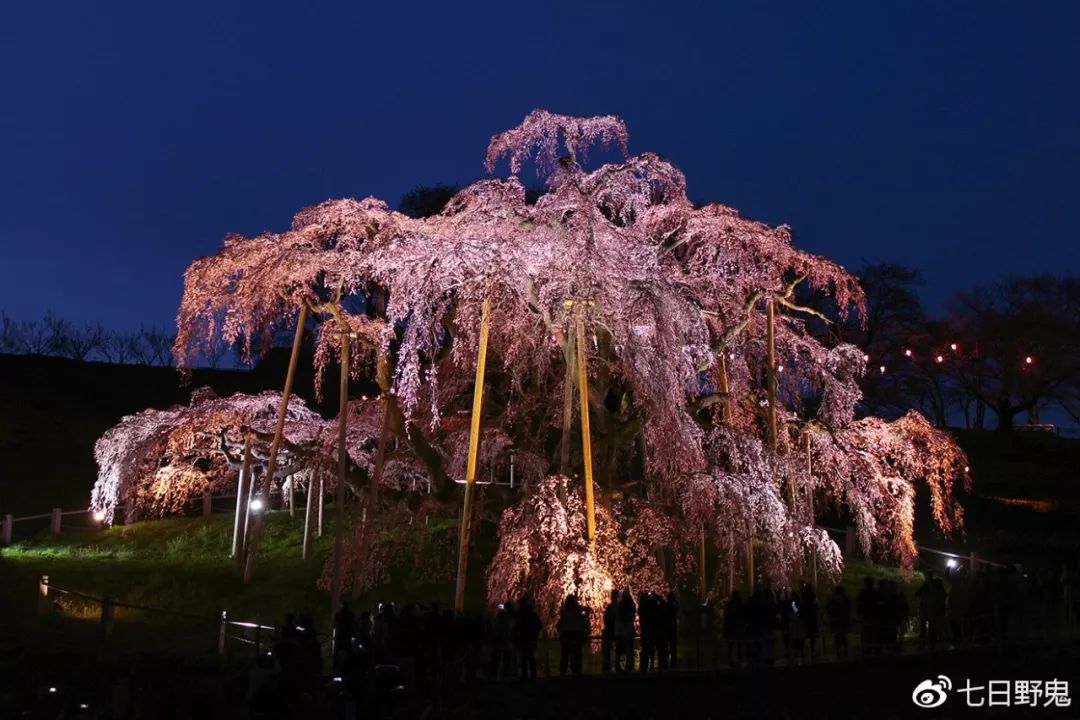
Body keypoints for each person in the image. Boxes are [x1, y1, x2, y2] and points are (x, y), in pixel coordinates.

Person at [557, 594, 588, 676]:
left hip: (566, 634)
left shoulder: (564, 611)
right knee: (576, 654)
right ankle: (576, 671)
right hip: (576, 634)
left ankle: (563, 671)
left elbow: (561, 623)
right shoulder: (577, 610)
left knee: (565, 655)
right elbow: (586, 610)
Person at [513, 596, 542, 680]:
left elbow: (516, 625)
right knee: (530, 657)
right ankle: (533, 675)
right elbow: (539, 626)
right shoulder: (532, 614)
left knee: (524, 658)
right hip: (531, 638)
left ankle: (525, 675)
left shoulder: (520, 615)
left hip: (523, 638)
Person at [826, 585, 851, 660]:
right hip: (842, 619)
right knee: (843, 636)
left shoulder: (834, 600)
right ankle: (844, 651)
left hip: (836, 620)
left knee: (838, 636)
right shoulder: (844, 599)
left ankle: (839, 652)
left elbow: (829, 609)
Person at [615, 589, 636, 672]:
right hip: (628, 629)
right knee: (629, 648)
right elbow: (632, 616)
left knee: (619, 649)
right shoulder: (631, 605)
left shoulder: (621, 605)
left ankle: (618, 665)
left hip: (620, 630)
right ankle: (629, 665)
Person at [722, 591, 745, 667]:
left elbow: (727, 616)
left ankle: (731, 660)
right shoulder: (740, 605)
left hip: (732, 627)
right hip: (738, 627)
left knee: (731, 645)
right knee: (739, 644)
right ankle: (739, 660)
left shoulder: (730, 605)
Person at [601, 589, 619, 673]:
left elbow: (606, 618)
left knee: (608, 648)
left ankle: (607, 665)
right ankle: (617, 664)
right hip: (617, 630)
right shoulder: (619, 607)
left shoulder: (610, 607)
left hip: (610, 630)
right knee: (618, 648)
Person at [665, 591, 679, 668]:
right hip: (672, 627)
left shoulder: (666, 606)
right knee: (673, 645)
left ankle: (667, 661)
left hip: (667, 627)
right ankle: (673, 662)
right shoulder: (674, 606)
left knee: (667, 644)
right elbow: (677, 607)